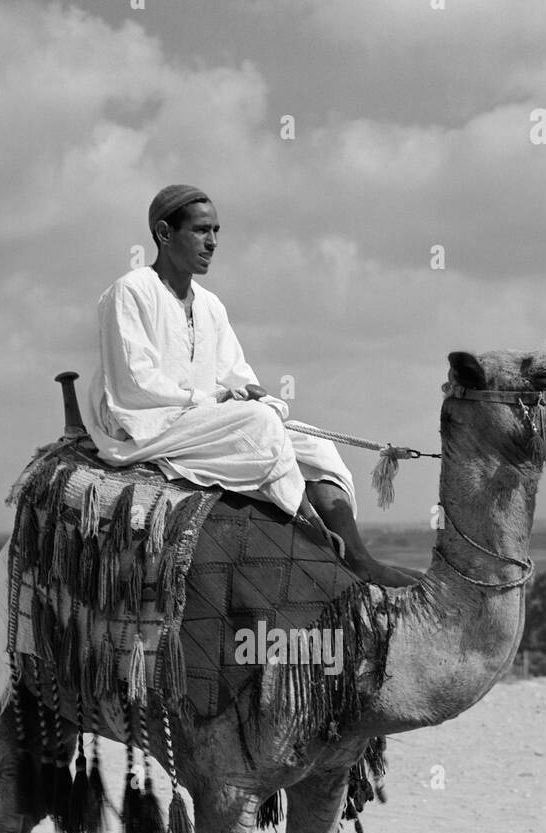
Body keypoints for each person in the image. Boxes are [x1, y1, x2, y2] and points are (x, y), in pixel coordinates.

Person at [86, 184, 414, 586]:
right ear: (164, 233)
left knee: (314, 443)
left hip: (208, 422)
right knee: (257, 426)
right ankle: (320, 542)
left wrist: (255, 395)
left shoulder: (210, 305)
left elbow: (236, 374)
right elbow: (135, 383)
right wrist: (217, 401)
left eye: (217, 231)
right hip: (146, 425)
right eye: (202, 230)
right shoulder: (130, 292)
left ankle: (359, 557)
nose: (212, 242)